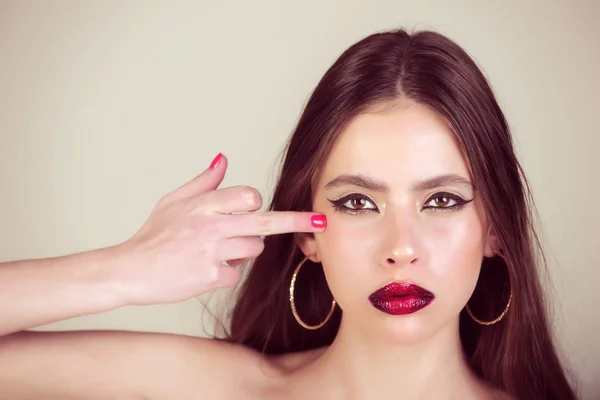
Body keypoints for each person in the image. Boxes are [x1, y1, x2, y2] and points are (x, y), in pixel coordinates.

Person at [0, 28, 576, 400]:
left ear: (495, 229)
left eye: (442, 200)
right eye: (358, 203)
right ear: (307, 235)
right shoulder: (218, 390)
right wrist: (125, 270)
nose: (401, 246)